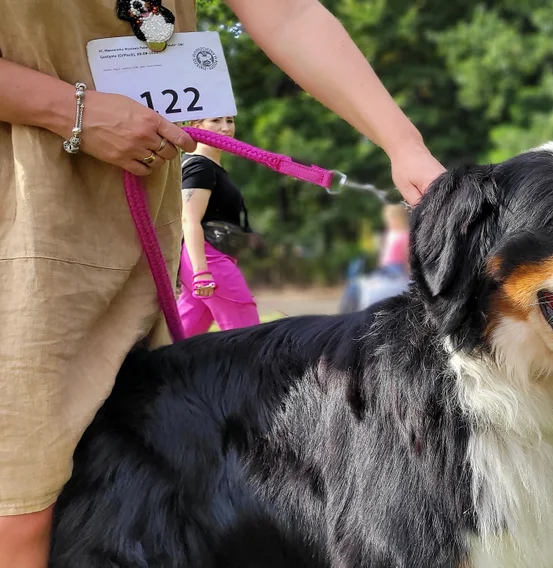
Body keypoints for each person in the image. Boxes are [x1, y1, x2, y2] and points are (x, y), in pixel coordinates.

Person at [0, 1, 446, 565]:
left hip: (133, 236)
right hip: (21, 229)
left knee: (136, 488)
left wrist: (403, 143)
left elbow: (286, 14)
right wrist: (71, 110)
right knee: (21, 507)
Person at [178, 115, 261, 335]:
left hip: (207, 259)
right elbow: (188, 218)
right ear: (197, 126)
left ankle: (145, 369)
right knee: (247, 337)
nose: (226, 128)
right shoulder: (200, 167)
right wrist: (201, 272)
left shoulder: (208, 167)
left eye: (230, 121)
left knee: (180, 337)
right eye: (216, 121)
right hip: (208, 260)